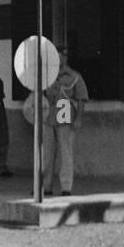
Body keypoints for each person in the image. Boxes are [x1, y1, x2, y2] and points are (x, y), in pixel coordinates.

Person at [41, 47, 89, 196]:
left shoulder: (74, 76)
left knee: (65, 153)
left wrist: (79, 119)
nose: (61, 59)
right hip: (48, 115)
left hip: (65, 112)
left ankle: (66, 187)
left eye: (63, 56)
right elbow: (39, 95)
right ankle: (45, 186)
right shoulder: (46, 76)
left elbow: (81, 99)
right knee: (47, 154)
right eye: (58, 56)